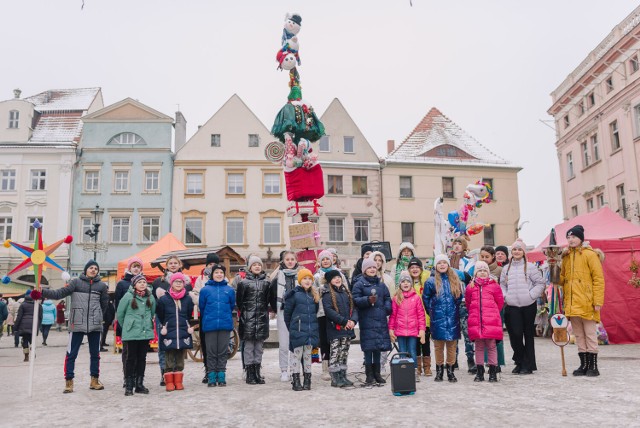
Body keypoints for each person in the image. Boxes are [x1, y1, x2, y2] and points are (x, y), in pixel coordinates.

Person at [34, 260, 109, 393]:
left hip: (95, 325)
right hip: (77, 323)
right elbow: (59, 293)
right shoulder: (76, 283)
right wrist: (43, 292)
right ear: (85, 269)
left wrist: (97, 316)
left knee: (95, 354)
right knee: (71, 354)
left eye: (96, 268)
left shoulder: (102, 286)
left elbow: (104, 305)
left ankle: (94, 380)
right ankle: (69, 381)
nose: (93, 270)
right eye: (91, 268)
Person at [560, 225, 605, 377]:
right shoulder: (565, 257)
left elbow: (598, 279)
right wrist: (554, 266)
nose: (571, 240)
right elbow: (561, 279)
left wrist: (598, 301)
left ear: (580, 238)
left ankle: (593, 365)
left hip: (587, 302)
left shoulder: (590, 255)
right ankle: (583, 364)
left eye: (573, 237)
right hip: (572, 303)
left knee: (590, 334)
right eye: (568, 237)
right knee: (578, 335)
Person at [500, 239, 545, 375]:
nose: (517, 252)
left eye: (519, 249)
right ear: (511, 252)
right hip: (512, 305)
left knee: (528, 335)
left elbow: (540, 283)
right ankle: (521, 360)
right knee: (515, 335)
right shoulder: (506, 268)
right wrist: (506, 296)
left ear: (524, 252)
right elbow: (502, 284)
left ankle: (528, 364)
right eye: (514, 249)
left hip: (528, 305)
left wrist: (531, 296)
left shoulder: (531, 267)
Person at [152, 255, 192, 386]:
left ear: (179, 265)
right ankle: (165, 374)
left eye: (176, 263)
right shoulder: (159, 281)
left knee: (179, 346)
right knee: (164, 347)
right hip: (164, 319)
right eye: (171, 263)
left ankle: (177, 374)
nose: (173, 265)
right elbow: (155, 302)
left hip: (180, 319)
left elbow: (189, 302)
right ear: (166, 265)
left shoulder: (186, 281)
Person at [423, 255, 464, 383]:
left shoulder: (454, 280)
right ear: (435, 265)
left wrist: (452, 309)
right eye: (439, 263)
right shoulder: (431, 281)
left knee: (452, 345)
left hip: (452, 317)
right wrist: (432, 310)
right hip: (437, 318)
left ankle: (450, 370)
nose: (442, 265)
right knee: (438, 346)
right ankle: (439, 370)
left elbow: (458, 297)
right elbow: (426, 298)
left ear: (448, 265)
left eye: (444, 263)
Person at [352, 257, 392, 385]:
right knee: (368, 348)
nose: (372, 269)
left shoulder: (381, 284)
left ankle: (377, 373)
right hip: (367, 320)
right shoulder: (359, 283)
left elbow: (387, 297)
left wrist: (387, 308)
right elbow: (355, 300)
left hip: (380, 319)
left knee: (378, 348)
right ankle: (369, 375)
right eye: (369, 267)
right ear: (364, 270)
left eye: (374, 267)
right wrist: (367, 300)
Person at [116, 274, 156, 396]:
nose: (143, 284)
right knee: (130, 358)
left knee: (142, 358)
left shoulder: (150, 296)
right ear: (134, 284)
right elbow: (120, 314)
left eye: (144, 282)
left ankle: (139, 384)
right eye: (140, 282)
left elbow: (152, 311)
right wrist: (128, 326)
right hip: (131, 332)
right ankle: (129, 385)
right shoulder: (128, 296)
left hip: (144, 332)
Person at [466, 261, 504, 382]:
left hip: (491, 321)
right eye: (479, 271)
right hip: (476, 321)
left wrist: (492, 314)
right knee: (479, 347)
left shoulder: (494, 286)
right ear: (475, 273)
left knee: (492, 346)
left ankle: (493, 370)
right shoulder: (470, 287)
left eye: (484, 270)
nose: (482, 273)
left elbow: (500, 302)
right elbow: (468, 303)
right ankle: (480, 371)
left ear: (488, 272)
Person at [313, 250, 348, 381]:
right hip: (322, 312)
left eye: (328, 259)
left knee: (338, 340)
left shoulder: (339, 274)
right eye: (323, 259)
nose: (326, 261)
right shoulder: (316, 276)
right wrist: (320, 291)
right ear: (319, 262)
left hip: (338, 312)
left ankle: (339, 365)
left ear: (332, 260)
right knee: (324, 340)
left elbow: (345, 289)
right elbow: (313, 293)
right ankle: (325, 367)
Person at [237, 256, 271, 385]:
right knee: (249, 347)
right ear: (249, 268)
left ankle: (257, 371)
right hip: (248, 319)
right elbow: (239, 302)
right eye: (254, 264)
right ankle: (249, 372)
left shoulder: (266, 283)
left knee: (259, 347)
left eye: (259, 264)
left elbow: (268, 300)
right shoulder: (243, 283)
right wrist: (245, 315)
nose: (257, 266)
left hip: (261, 319)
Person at [199, 264, 235, 387]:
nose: (219, 274)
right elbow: (202, 307)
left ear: (224, 275)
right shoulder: (205, 290)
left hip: (224, 324)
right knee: (211, 351)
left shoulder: (229, 290)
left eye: (221, 272)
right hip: (210, 325)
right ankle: (211, 376)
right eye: (216, 272)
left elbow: (231, 306)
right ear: (212, 275)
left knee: (223, 351)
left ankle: (221, 375)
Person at [284, 269, 320, 391]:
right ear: (300, 280)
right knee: (296, 356)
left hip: (310, 331)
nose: (308, 281)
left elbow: (315, 313)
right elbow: (287, 315)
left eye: (310, 279)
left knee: (307, 357)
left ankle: (307, 380)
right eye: (305, 278)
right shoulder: (293, 294)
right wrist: (293, 329)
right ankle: (296, 380)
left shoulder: (313, 295)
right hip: (297, 330)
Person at [322, 269, 358, 388]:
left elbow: (354, 309)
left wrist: (353, 320)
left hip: (347, 329)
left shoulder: (346, 293)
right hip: (335, 329)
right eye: (334, 278)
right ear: (329, 281)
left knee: (344, 353)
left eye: (338, 277)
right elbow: (329, 311)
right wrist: (343, 321)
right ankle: (335, 377)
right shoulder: (327, 294)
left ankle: (343, 375)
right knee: (335, 353)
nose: (337, 279)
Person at [388, 270, 426, 382]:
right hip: (400, 331)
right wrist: (391, 328)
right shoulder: (396, 298)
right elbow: (393, 315)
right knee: (402, 352)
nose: (405, 283)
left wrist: (422, 330)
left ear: (411, 283)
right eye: (403, 281)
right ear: (399, 284)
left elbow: (421, 315)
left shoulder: (416, 298)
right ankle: (403, 371)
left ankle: (413, 371)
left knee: (412, 351)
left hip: (413, 331)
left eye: (408, 281)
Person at [269, 250, 299, 382]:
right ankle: (284, 370)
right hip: (283, 311)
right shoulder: (278, 277)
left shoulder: (301, 275)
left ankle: (294, 369)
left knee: (296, 343)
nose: (290, 261)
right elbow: (272, 294)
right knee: (284, 343)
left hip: (298, 312)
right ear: (283, 261)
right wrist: (275, 309)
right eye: (288, 259)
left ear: (296, 261)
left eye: (292, 259)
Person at [193, 252, 221, 384]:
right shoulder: (201, 279)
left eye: (214, 264)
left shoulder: (221, 276)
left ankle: (219, 370)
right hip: (205, 313)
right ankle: (208, 370)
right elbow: (196, 293)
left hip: (219, 313)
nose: (212, 266)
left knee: (218, 344)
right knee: (205, 343)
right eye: (210, 264)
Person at [449, 237, 475, 374]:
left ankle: (471, 359)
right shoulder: (447, 260)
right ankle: (453, 360)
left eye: (460, 243)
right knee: (453, 333)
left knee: (467, 333)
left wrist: (450, 271)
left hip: (464, 301)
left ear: (464, 246)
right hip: (450, 301)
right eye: (455, 243)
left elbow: (468, 276)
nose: (457, 246)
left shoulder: (469, 261)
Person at [478, 246, 506, 371]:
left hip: (495, 309)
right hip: (481, 310)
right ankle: (485, 362)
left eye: (487, 257)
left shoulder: (500, 270)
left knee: (495, 337)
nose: (484, 259)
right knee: (482, 336)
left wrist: (497, 308)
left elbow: (502, 291)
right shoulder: (477, 269)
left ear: (493, 256)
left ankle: (497, 363)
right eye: (482, 256)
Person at [408, 257, 432, 376]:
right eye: (412, 268)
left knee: (425, 342)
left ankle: (427, 367)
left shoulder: (426, 281)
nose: (415, 269)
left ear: (421, 269)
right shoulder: (407, 283)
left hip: (425, 318)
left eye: (417, 267)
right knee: (415, 343)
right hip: (412, 319)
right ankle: (417, 366)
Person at [14, 290, 42, 362]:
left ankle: (26, 356)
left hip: (24, 325)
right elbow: (40, 316)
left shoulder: (23, 305)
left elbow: (19, 316)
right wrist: (38, 325)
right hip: (33, 325)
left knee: (25, 341)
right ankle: (33, 353)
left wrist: (16, 327)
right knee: (32, 341)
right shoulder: (38, 305)